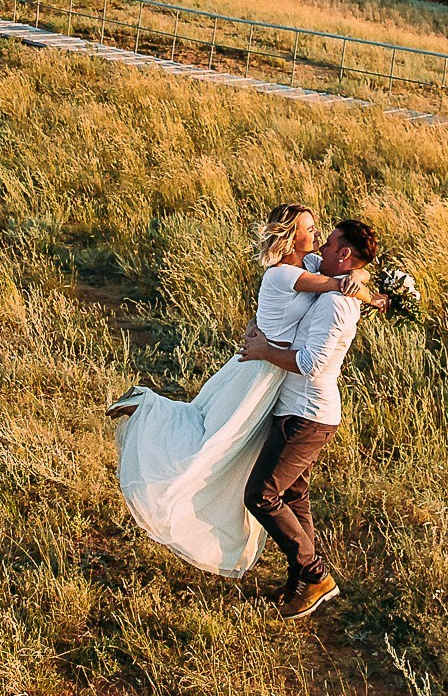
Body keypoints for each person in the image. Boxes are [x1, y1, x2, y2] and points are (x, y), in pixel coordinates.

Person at [110, 205, 375, 579]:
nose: (318, 237)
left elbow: (342, 269)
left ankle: (307, 576)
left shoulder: (311, 263)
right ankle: (148, 405)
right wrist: (364, 291)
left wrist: (359, 273)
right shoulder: (286, 273)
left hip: (272, 375)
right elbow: (334, 283)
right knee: (213, 441)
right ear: (290, 237)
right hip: (260, 372)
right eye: (312, 230)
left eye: (323, 235)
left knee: (239, 453)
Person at [240, 217, 381, 620]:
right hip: (295, 409)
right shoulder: (326, 271)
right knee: (293, 495)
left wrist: (264, 350)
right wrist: (365, 284)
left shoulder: (337, 304)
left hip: (309, 414)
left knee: (261, 495)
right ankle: (301, 584)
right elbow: (335, 269)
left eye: (330, 240)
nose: (321, 245)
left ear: (344, 254)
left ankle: (314, 575)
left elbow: (312, 363)